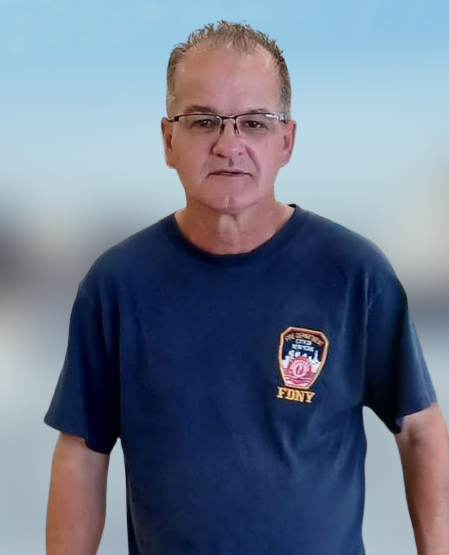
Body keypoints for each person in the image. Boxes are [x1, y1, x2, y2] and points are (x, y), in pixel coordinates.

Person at [44, 20, 449, 555]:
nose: (228, 145)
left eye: (254, 123)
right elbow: (81, 451)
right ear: (168, 140)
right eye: (203, 121)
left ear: (287, 140)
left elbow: (420, 431)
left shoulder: (355, 273)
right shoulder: (116, 285)